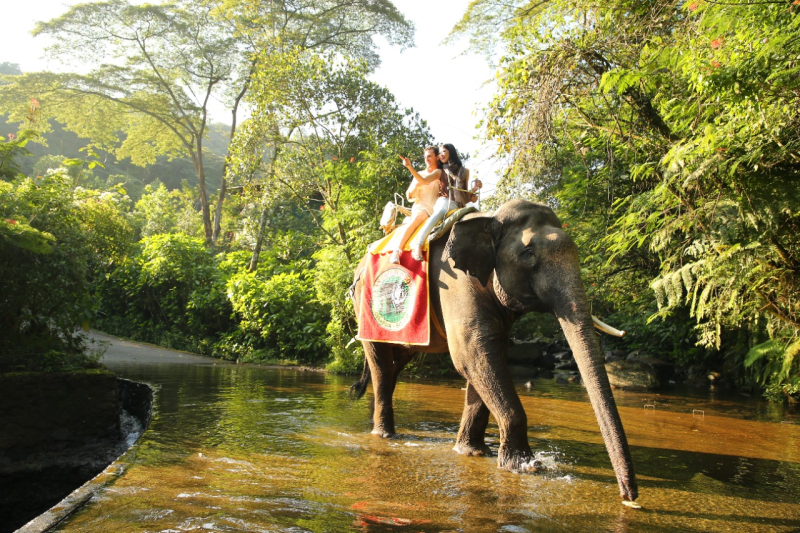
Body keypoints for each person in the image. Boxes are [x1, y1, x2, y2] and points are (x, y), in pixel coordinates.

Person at [409, 143, 481, 261]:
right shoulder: (440, 172)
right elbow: (423, 180)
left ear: (451, 152)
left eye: (444, 152)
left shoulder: (465, 172)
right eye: (440, 152)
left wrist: (473, 192)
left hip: (458, 205)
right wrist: (410, 167)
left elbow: (463, 194)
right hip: (444, 201)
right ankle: (419, 243)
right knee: (441, 211)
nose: (441, 155)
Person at [388, 146, 443, 264]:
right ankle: (397, 251)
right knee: (420, 216)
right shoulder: (420, 174)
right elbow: (409, 196)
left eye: (429, 156)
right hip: (422, 208)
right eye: (425, 157)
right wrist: (415, 187)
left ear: (437, 157)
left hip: (437, 210)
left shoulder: (440, 173)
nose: (427, 159)